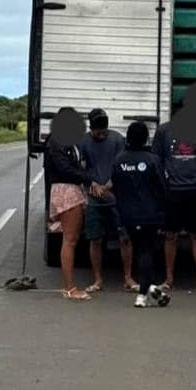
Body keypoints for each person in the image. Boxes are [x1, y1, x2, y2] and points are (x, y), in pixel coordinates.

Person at [151, 120, 196, 295]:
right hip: (172, 190)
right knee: (170, 236)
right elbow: (156, 158)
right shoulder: (164, 131)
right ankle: (169, 280)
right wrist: (163, 184)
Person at [79, 108, 140, 295]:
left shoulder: (117, 140)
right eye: (98, 130)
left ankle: (128, 278)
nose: (102, 133)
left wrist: (110, 184)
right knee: (95, 239)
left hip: (116, 197)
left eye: (104, 129)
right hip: (93, 197)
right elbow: (80, 168)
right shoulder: (83, 142)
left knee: (125, 237)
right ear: (91, 128)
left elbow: (123, 164)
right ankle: (98, 280)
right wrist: (92, 184)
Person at [110, 122, 171, 309]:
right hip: (150, 214)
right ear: (146, 138)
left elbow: (116, 188)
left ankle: (151, 289)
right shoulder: (152, 160)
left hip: (128, 214)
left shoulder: (119, 160)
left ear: (128, 137)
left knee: (139, 251)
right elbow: (162, 187)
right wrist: (164, 210)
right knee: (147, 252)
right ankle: (142, 295)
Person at [44, 107, 98, 301]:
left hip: (71, 188)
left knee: (71, 239)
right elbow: (64, 168)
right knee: (70, 240)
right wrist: (88, 178)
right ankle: (69, 287)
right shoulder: (56, 141)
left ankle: (69, 285)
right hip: (66, 189)